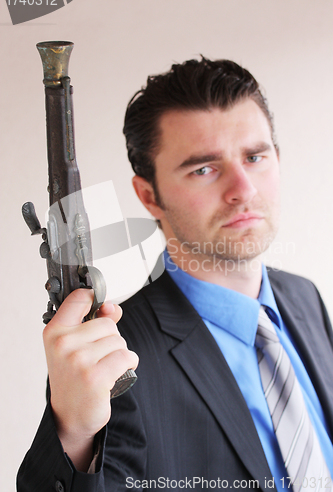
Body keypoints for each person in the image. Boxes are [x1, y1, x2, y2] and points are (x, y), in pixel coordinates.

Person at [17, 58, 333, 492]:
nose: (243, 188)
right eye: (204, 168)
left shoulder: (306, 298)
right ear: (149, 196)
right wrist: (73, 435)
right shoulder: (118, 359)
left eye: (255, 157)